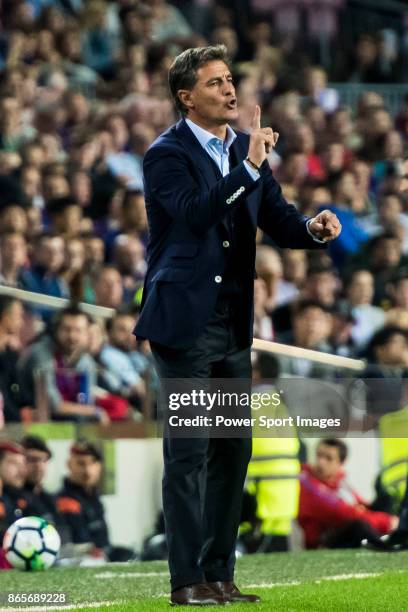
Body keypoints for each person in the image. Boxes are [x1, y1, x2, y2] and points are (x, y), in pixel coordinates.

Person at [134, 45, 341, 606]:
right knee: (190, 452)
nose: (229, 90)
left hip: (230, 325)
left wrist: (313, 228)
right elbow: (199, 213)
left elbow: (275, 216)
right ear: (186, 97)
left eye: (230, 80)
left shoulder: (240, 151)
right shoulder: (165, 154)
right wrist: (248, 165)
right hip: (183, 324)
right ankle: (185, 582)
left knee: (232, 449)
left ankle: (220, 575)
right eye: (215, 83)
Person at [298, 438, 398, 549]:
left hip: (344, 526)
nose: (321, 462)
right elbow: (342, 513)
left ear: (341, 463)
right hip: (323, 541)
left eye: (328, 458)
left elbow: (359, 504)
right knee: (360, 525)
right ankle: (387, 547)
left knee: (386, 501)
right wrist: (387, 521)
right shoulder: (307, 482)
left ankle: (394, 536)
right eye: (319, 455)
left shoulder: (340, 481)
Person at [56, 441, 135, 562]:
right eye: (81, 463)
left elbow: (104, 542)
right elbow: (70, 548)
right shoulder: (65, 501)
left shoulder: (94, 498)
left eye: (92, 463)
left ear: (99, 466)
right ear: (69, 465)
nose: (87, 470)